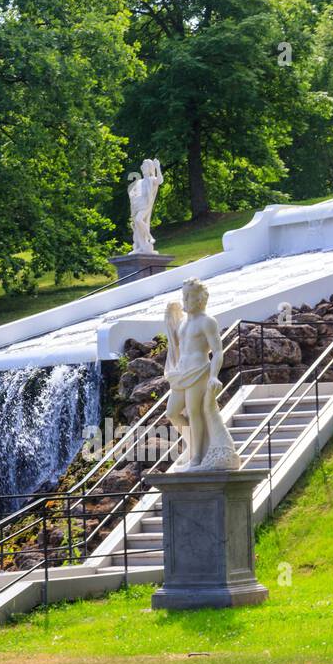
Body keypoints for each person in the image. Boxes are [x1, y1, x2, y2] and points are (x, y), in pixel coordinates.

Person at [164, 279, 239, 469]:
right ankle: (192, 445)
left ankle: (197, 457)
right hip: (182, 373)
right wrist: (169, 318)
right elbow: (176, 345)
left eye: (188, 297)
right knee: (172, 412)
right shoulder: (183, 323)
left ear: (199, 300)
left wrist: (214, 375)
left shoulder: (207, 322)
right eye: (183, 296)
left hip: (199, 371)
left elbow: (218, 351)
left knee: (193, 411)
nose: (184, 300)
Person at [128, 158, 163, 254]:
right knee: (137, 226)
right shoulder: (139, 182)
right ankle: (140, 247)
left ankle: (150, 237)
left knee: (139, 220)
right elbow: (135, 194)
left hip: (146, 205)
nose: (143, 168)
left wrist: (157, 167)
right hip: (138, 206)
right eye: (142, 166)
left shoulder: (151, 179)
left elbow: (160, 181)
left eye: (145, 166)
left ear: (150, 168)